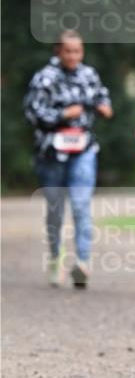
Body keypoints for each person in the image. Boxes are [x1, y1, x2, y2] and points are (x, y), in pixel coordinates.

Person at [23, 29, 113, 288]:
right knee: (55, 210)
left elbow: (102, 97)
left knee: (81, 204)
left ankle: (83, 263)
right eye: (68, 51)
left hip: (83, 149)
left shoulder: (89, 75)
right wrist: (63, 114)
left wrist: (104, 107)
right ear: (58, 51)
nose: (73, 56)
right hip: (52, 151)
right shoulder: (44, 78)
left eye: (78, 51)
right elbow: (32, 113)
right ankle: (55, 258)